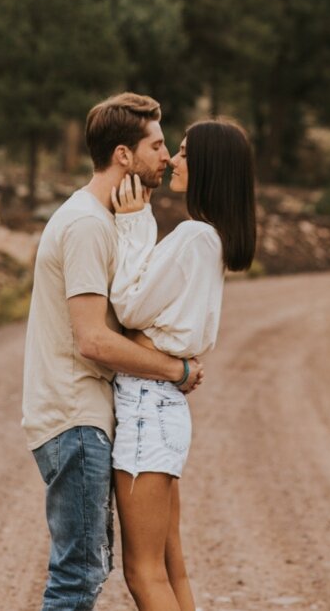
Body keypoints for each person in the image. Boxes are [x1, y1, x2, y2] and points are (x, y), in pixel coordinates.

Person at [23, 93, 204, 611]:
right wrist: (178, 368)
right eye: (158, 144)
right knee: (77, 576)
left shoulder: (109, 221)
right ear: (124, 155)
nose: (167, 157)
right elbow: (93, 339)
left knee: (84, 571)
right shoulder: (86, 225)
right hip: (74, 416)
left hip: (86, 417)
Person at [107, 117, 258, 611]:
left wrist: (132, 224)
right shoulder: (210, 240)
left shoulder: (195, 236)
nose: (173, 158)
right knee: (172, 568)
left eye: (187, 152)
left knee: (143, 573)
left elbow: (128, 308)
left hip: (148, 409)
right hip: (163, 406)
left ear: (209, 167)